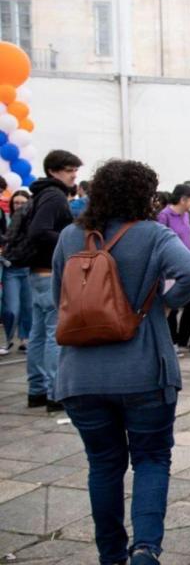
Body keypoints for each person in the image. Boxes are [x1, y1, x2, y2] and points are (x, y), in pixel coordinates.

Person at [53, 159, 190, 565]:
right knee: (152, 458)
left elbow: (59, 298)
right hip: (144, 370)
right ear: (145, 195)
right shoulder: (153, 235)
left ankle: (111, 556)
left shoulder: (71, 236)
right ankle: (145, 549)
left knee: (102, 465)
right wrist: (160, 306)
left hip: (81, 375)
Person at [25, 149, 81, 410]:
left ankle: (37, 389)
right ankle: (53, 391)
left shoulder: (41, 193)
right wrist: (69, 240)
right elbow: (40, 230)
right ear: (53, 171)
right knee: (52, 333)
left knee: (38, 333)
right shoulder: (55, 196)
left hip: (38, 272)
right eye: (69, 171)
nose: (74, 176)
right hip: (49, 272)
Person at [157, 184, 190, 354]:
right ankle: (172, 341)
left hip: (188, 262)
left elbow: (188, 237)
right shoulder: (164, 216)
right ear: (183, 199)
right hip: (171, 268)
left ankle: (184, 337)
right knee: (172, 304)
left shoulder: (185, 216)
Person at [1, 189, 33, 356]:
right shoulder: (7, 221)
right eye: (16, 203)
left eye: (22, 202)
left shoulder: (32, 222)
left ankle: (24, 339)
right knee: (11, 309)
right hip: (10, 269)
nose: (19, 206)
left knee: (28, 307)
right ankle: (8, 339)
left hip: (28, 269)